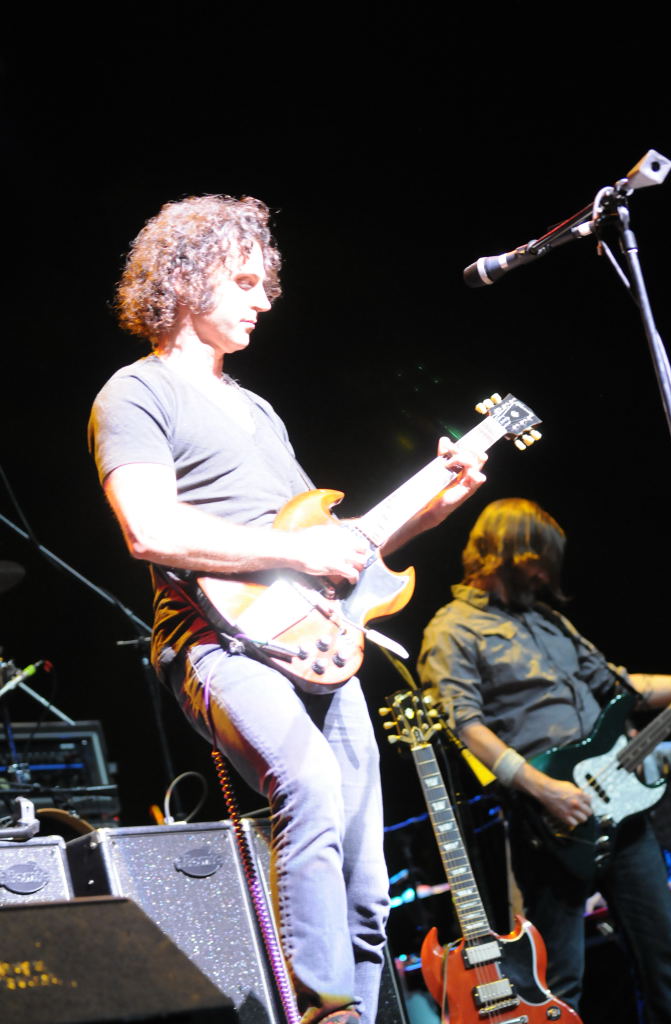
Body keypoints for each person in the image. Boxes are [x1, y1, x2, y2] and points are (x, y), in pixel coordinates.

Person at [88, 194, 487, 1024]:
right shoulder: (135, 395)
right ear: (185, 277)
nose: (264, 300)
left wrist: (430, 509)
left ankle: (358, 1011)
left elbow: (330, 549)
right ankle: (322, 1007)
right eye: (244, 281)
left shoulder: (258, 409)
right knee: (305, 780)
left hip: (313, 641)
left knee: (366, 875)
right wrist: (301, 553)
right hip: (215, 640)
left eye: (264, 284)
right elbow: (149, 529)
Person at [417, 497, 671, 1022]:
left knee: (669, 961)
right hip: (548, 822)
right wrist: (544, 789)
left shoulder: (549, 621)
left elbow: (620, 686)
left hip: (621, 810)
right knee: (556, 981)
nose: (543, 575)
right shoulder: (451, 629)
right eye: (537, 562)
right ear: (507, 553)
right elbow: (463, 724)